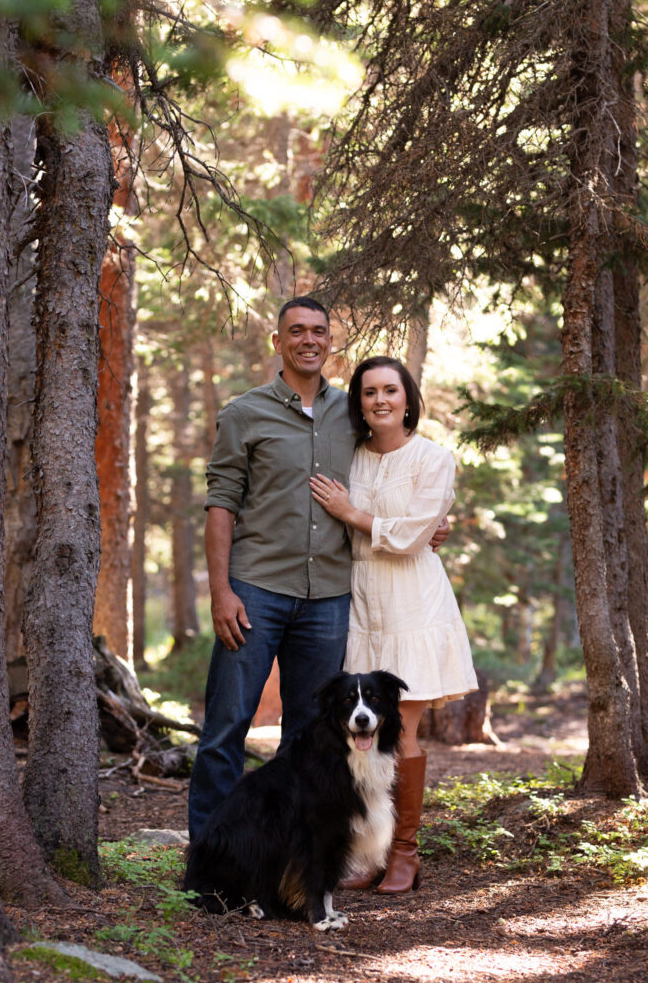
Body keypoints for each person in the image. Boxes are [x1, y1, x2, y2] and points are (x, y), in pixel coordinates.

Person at [188, 297, 355, 841]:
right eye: (297, 331)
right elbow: (221, 507)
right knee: (227, 728)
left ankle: (289, 859)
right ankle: (211, 861)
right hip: (255, 591)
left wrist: (428, 524)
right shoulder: (244, 413)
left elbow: (389, 472)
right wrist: (221, 592)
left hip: (328, 596)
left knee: (310, 736)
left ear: (330, 340)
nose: (309, 340)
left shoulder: (351, 413)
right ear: (277, 342)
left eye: (319, 331)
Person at [310, 355, 477, 894]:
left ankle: (405, 853)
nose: (379, 400)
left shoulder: (434, 458)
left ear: (408, 399)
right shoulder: (352, 456)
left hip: (412, 602)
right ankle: (370, 853)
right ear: (358, 401)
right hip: (359, 601)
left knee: (398, 731)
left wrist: (354, 514)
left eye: (390, 390)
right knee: (361, 737)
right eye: (368, 392)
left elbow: (408, 539)